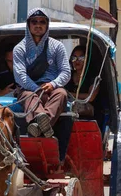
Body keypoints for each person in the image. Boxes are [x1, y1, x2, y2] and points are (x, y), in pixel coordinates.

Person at [13, 8, 70, 138]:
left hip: (51, 88)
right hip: (29, 89)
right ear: (28, 25)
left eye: (42, 22)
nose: (38, 25)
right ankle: (42, 120)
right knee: (29, 96)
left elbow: (65, 72)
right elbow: (20, 76)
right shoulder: (19, 48)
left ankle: (39, 127)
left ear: (47, 25)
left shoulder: (57, 46)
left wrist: (53, 84)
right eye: (34, 22)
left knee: (61, 94)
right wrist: (36, 89)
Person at [66, 45, 99, 117]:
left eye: (81, 58)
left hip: (89, 112)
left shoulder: (93, 76)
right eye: (74, 58)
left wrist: (69, 94)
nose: (77, 60)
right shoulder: (67, 75)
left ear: (87, 59)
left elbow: (90, 97)